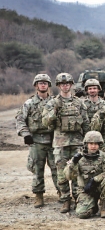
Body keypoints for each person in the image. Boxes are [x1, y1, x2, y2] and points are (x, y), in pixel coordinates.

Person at [42, 73, 90, 213]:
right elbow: (46, 123)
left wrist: (87, 142)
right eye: (62, 84)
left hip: (77, 143)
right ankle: (65, 200)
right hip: (60, 143)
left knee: (77, 171)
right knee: (62, 174)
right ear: (58, 86)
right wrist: (54, 111)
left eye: (68, 83)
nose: (65, 86)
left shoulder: (79, 102)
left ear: (71, 85)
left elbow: (86, 123)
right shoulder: (53, 103)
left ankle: (78, 198)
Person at [16, 73, 59, 207]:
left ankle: (62, 194)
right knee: (37, 170)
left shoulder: (55, 102)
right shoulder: (29, 103)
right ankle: (39, 195)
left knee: (57, 170)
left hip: (53, 140)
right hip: (36, 141)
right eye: (40, 83)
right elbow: (20, 119)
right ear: (36, 85)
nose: (43, 85)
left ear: (49, 85)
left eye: (45, 83)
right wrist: (25, 134)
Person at [64, 131, 105, 219]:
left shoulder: (104, 156)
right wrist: (73, 163)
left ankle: (104, 207)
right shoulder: (78, 157)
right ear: (86, 144)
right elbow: (69, 177)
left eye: (96, 144)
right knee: (82, 214)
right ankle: (92, 205)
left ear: (100, 145)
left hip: (99, 188)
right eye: (91, 143)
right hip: (85, 190)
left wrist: (95, 179)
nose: (93, 146)